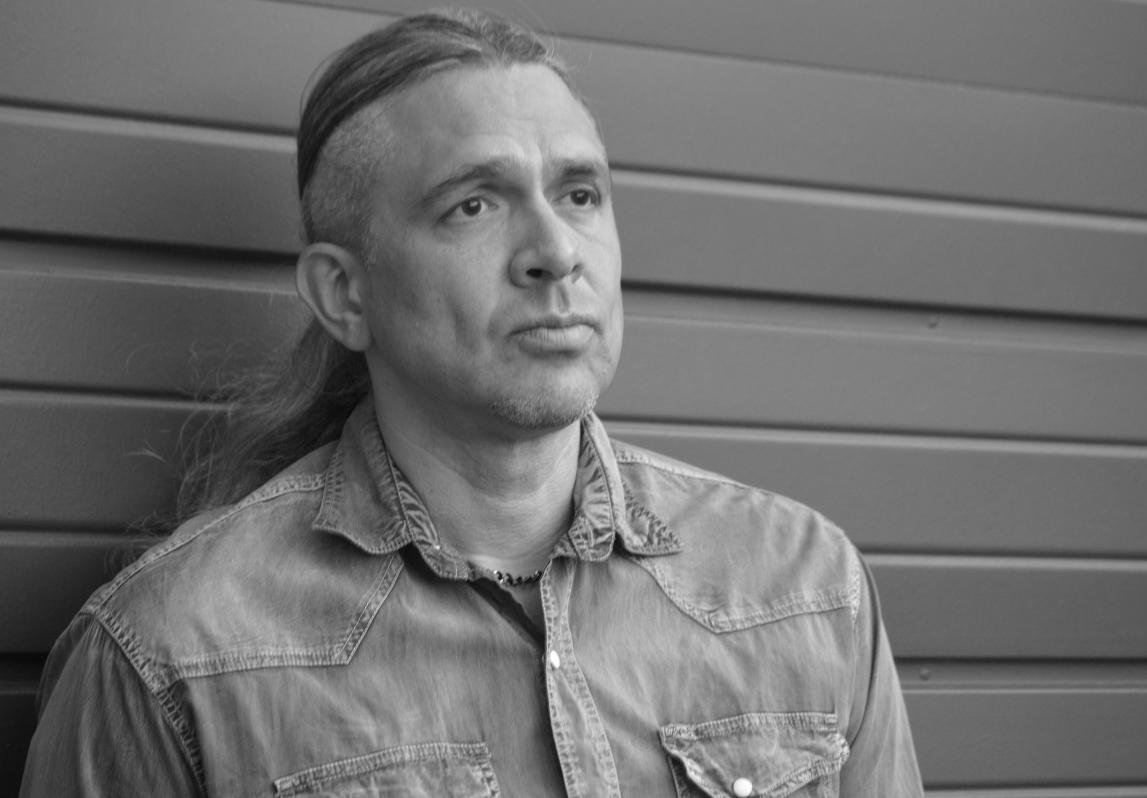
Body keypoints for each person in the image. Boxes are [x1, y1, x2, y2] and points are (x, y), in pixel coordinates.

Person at [20, 9, 923, 796]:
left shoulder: (804, 587)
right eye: (474, 206)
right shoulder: (172, 656)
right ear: (345, 295)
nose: (556, 251)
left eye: (579, 193)